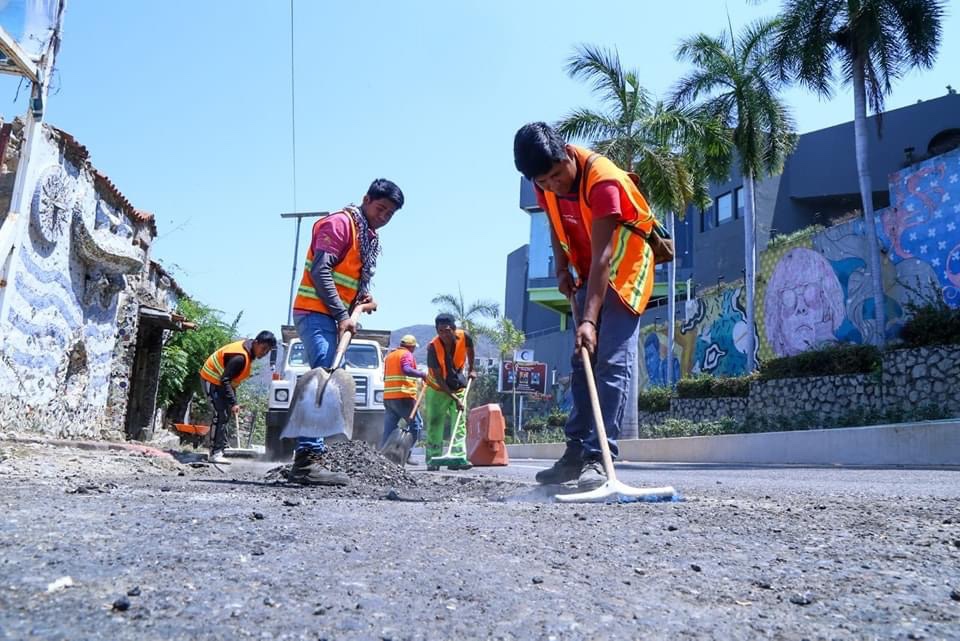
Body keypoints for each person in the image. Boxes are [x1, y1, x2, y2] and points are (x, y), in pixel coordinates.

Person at [513, 121, 657, 490]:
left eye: (557, 175)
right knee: (582, 361)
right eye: (543, 181)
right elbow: (554, 220)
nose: (552, 185)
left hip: (624, 269)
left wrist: (590, 321)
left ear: (568, 154)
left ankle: (599, 455)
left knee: (610, 358)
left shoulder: (604, 181)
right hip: (586, 268)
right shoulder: (542, 180)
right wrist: (561, 267)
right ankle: (575, 453)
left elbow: (606, 257)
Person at [289, 178, 405, 484]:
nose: (383, 217)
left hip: (332, 314)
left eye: (390, 214)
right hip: (316, 312)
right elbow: (320, 270)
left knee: (329, 376)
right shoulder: (340, 225)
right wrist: (343, 314)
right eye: (380, 208)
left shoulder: (367, 237)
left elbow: (348, 278)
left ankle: (312, 456)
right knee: (324, 375)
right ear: (366, 199)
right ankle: (306, 462)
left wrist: (360, 301)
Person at [199, 331, 277, 463]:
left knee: (226, 413)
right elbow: (225, 380)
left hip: (221, 383)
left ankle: (222, 447)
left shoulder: (249, 352)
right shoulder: (240, 357)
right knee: (220, 414)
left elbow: (230, 381)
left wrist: (233, 402)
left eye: (267, 351)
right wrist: (234, 402)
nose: (264, 353)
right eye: (263, 349)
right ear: (256, 343)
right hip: (211, 379)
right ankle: (214, 453)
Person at [424, 314, 476, 471]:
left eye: (447, 331)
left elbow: (470, 350)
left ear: (454, 329)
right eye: (440, 331)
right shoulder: (432, 348)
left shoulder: (464, 337)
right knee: (435, 423)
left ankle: (457, 457)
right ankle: (433, 458)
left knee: (459, 423)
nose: (444, 335)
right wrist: (455, 399)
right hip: (437, 389)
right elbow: (439, 379)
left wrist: (472, 368)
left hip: (456, 385)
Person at [380, 334, 427, 461]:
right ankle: (407, 454)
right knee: (416, 425)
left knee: (389, 428)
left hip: (389, 397)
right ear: (411, 347)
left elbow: (386, 377)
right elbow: (406, 369)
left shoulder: (390, 356)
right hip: (403, 396)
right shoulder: (406, 354)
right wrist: (423, 375)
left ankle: (382, 455)